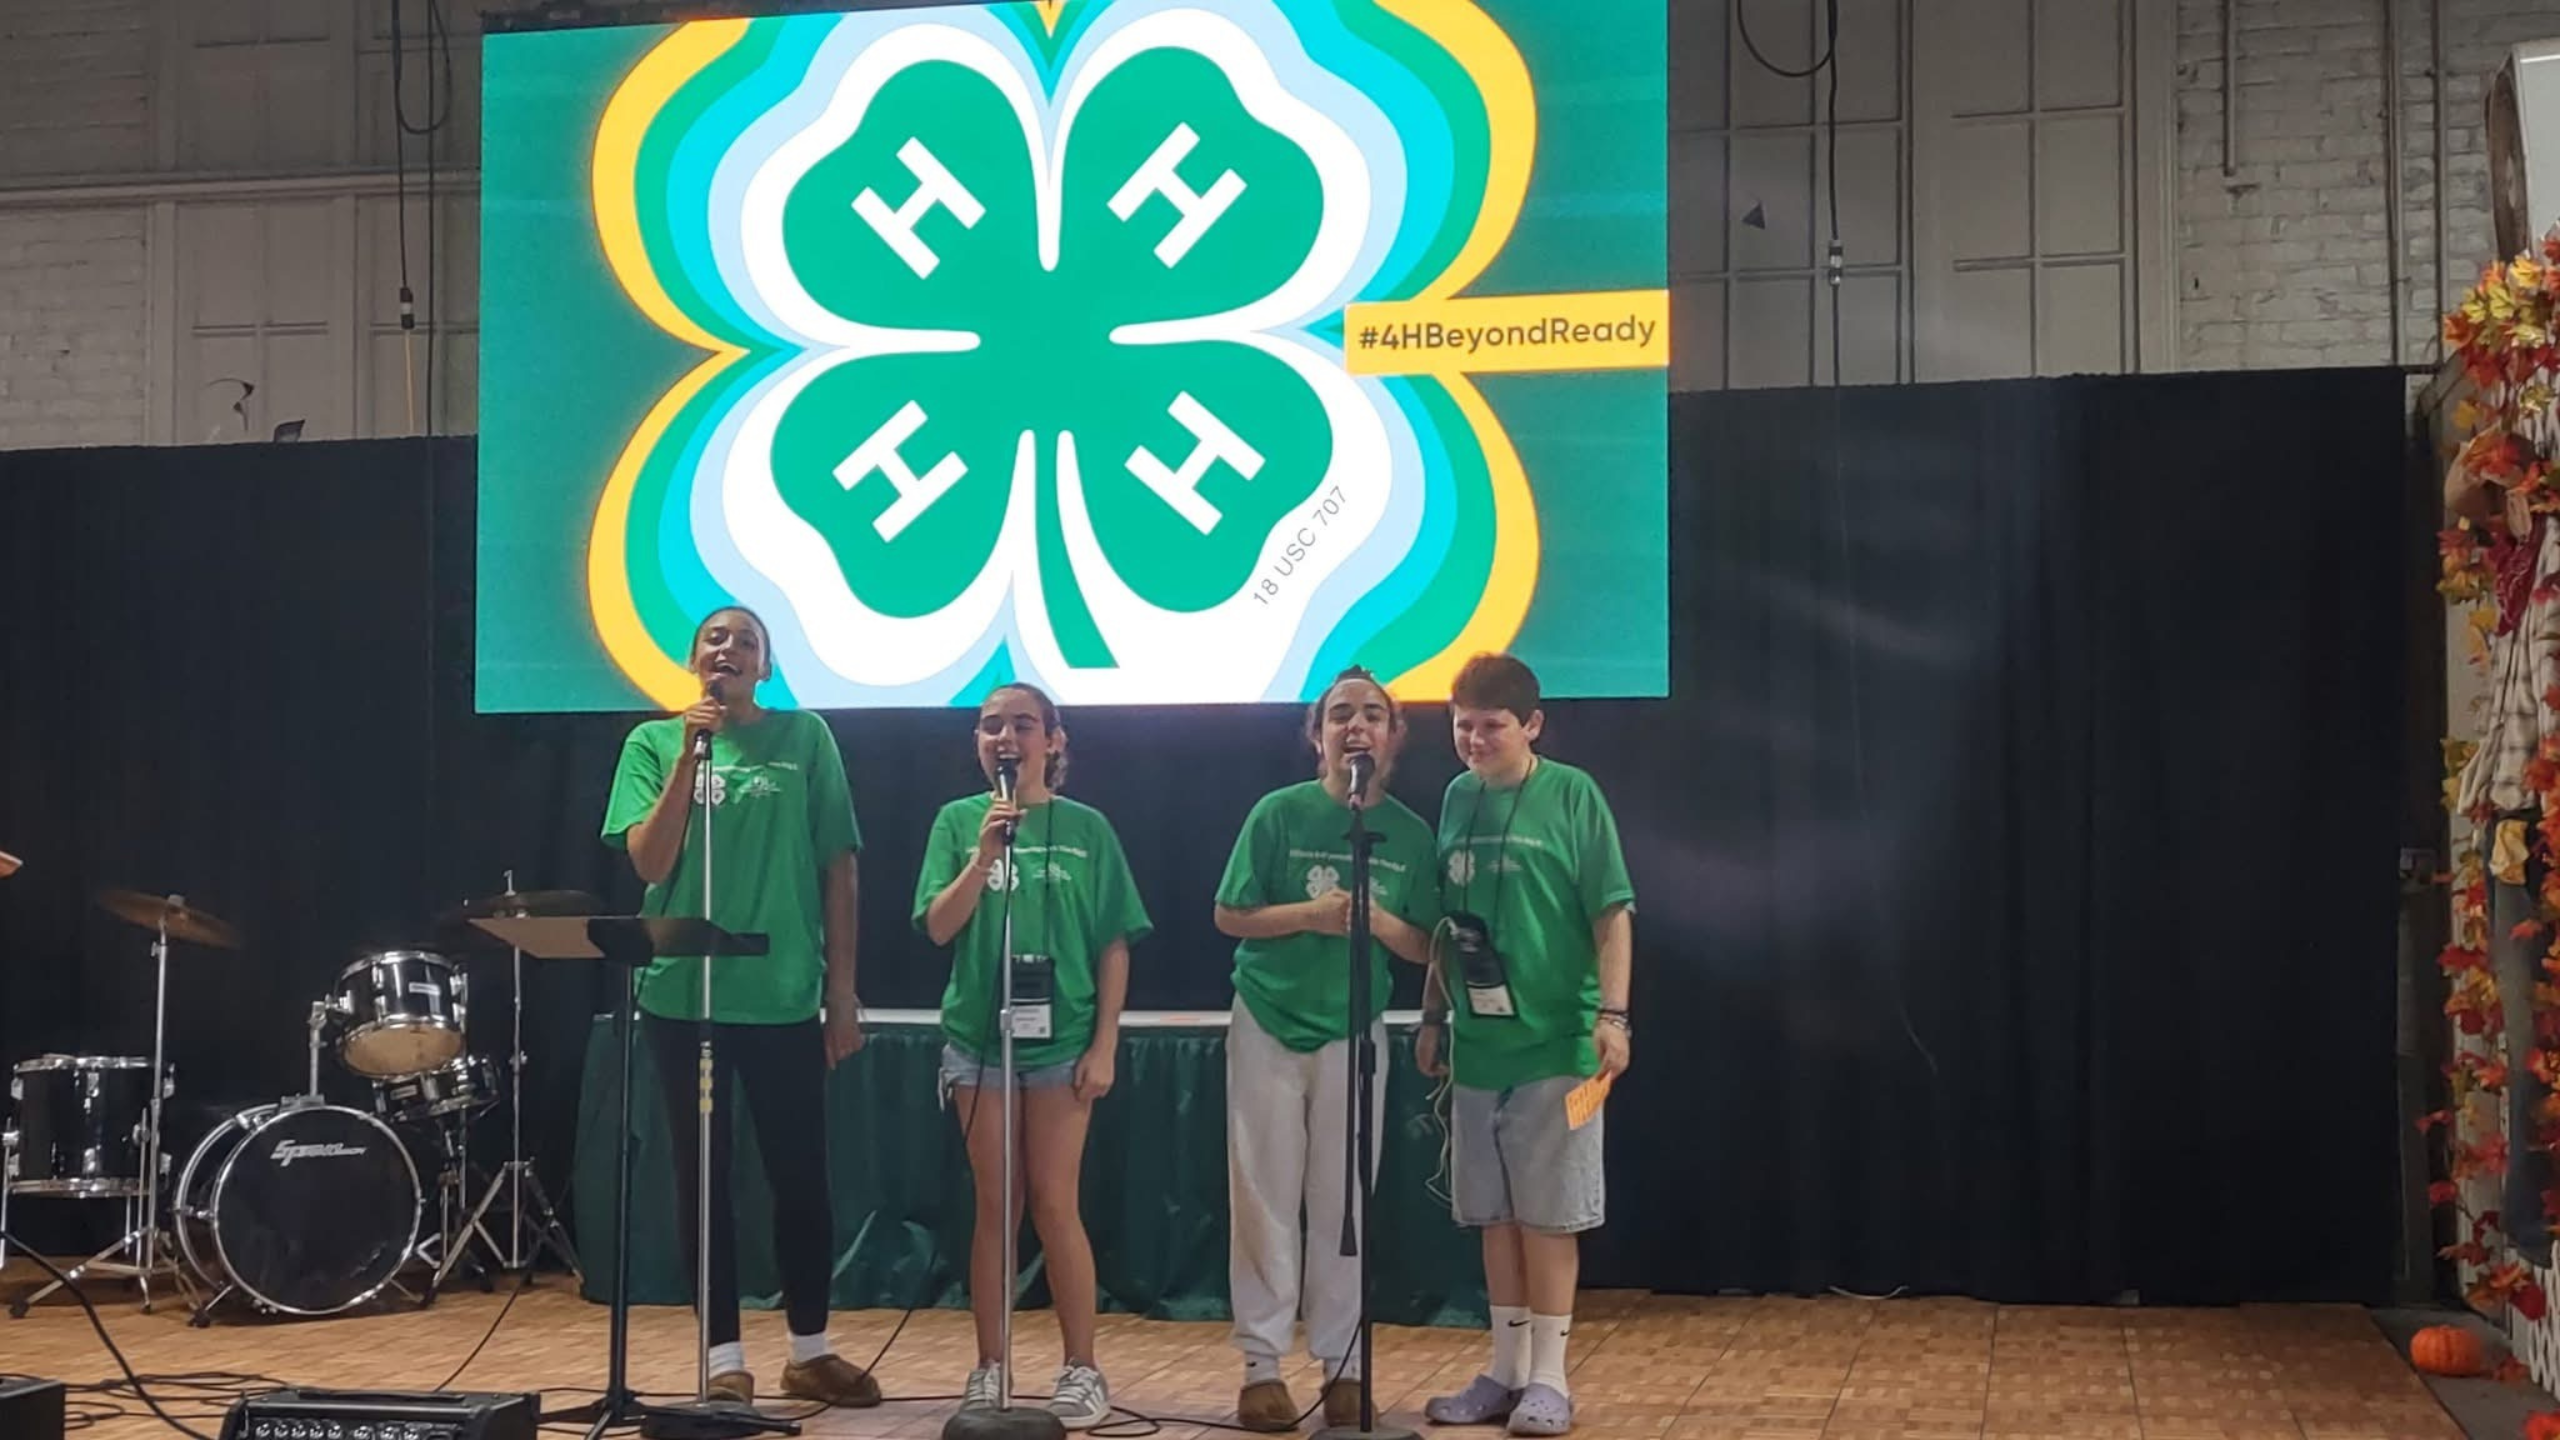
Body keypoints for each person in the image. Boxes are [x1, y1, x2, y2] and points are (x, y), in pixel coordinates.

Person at [600, 605, 878, 1409]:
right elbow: (649, 859)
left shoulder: (806, 739)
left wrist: (842, 991)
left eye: (746, 642)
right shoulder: (653, 744)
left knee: (800, 1177)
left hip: (784, 990)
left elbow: (841, 867)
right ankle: (724, 1357)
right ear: (693, 661)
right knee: (704, 1179)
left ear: (766, 668)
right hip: (687, 997)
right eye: (716, 639)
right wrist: (691, 754)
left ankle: (811, 1349)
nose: (730, 648)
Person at [914, 682, 1150, 1431]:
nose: (1006, 737)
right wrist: (984, 858)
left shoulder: (1088, 829)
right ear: (978, 745)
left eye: (1022, 725)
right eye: (991, 727)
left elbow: (1115, 942)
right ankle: (992, 1365)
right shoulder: (959, 823)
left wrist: (1105, 1044)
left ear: (1054, 741)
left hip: (1063, 1041)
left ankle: (1082, 1368)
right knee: (997, 1205)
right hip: (979, 1045)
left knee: (1054, 1202)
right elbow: (939, 928)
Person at [1213, 668, 1442, 1431]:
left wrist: (1376, 921)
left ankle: (1343, 1362)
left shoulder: (1409, 833)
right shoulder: (1278, 814)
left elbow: (1426, 946)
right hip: (1270, 1024)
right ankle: (1261, 1366)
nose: (1356, 726)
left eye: (1372, 715)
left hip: (1353, 1031)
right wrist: (1310, 915)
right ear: (1317, 735)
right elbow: (1229, 915)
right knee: (1265, 1194)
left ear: (1393, 736)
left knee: (1344, 1203)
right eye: (1340, 714)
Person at [1418, 654, 1634, 1438]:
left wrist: (1614, 1015)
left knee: (1550, 1218)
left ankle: (1550, 1379)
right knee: (1496, 1216)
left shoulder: (1572, 795)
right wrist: (1434, 1015)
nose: (1475, 740)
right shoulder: (1454, 799)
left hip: (1557, 1042)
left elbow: (1613, 913)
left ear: (1532, 725)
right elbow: (1451, 925)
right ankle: (1504, 1372)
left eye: (1492, 726)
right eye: (1462, 725)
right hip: (1480, 1047)